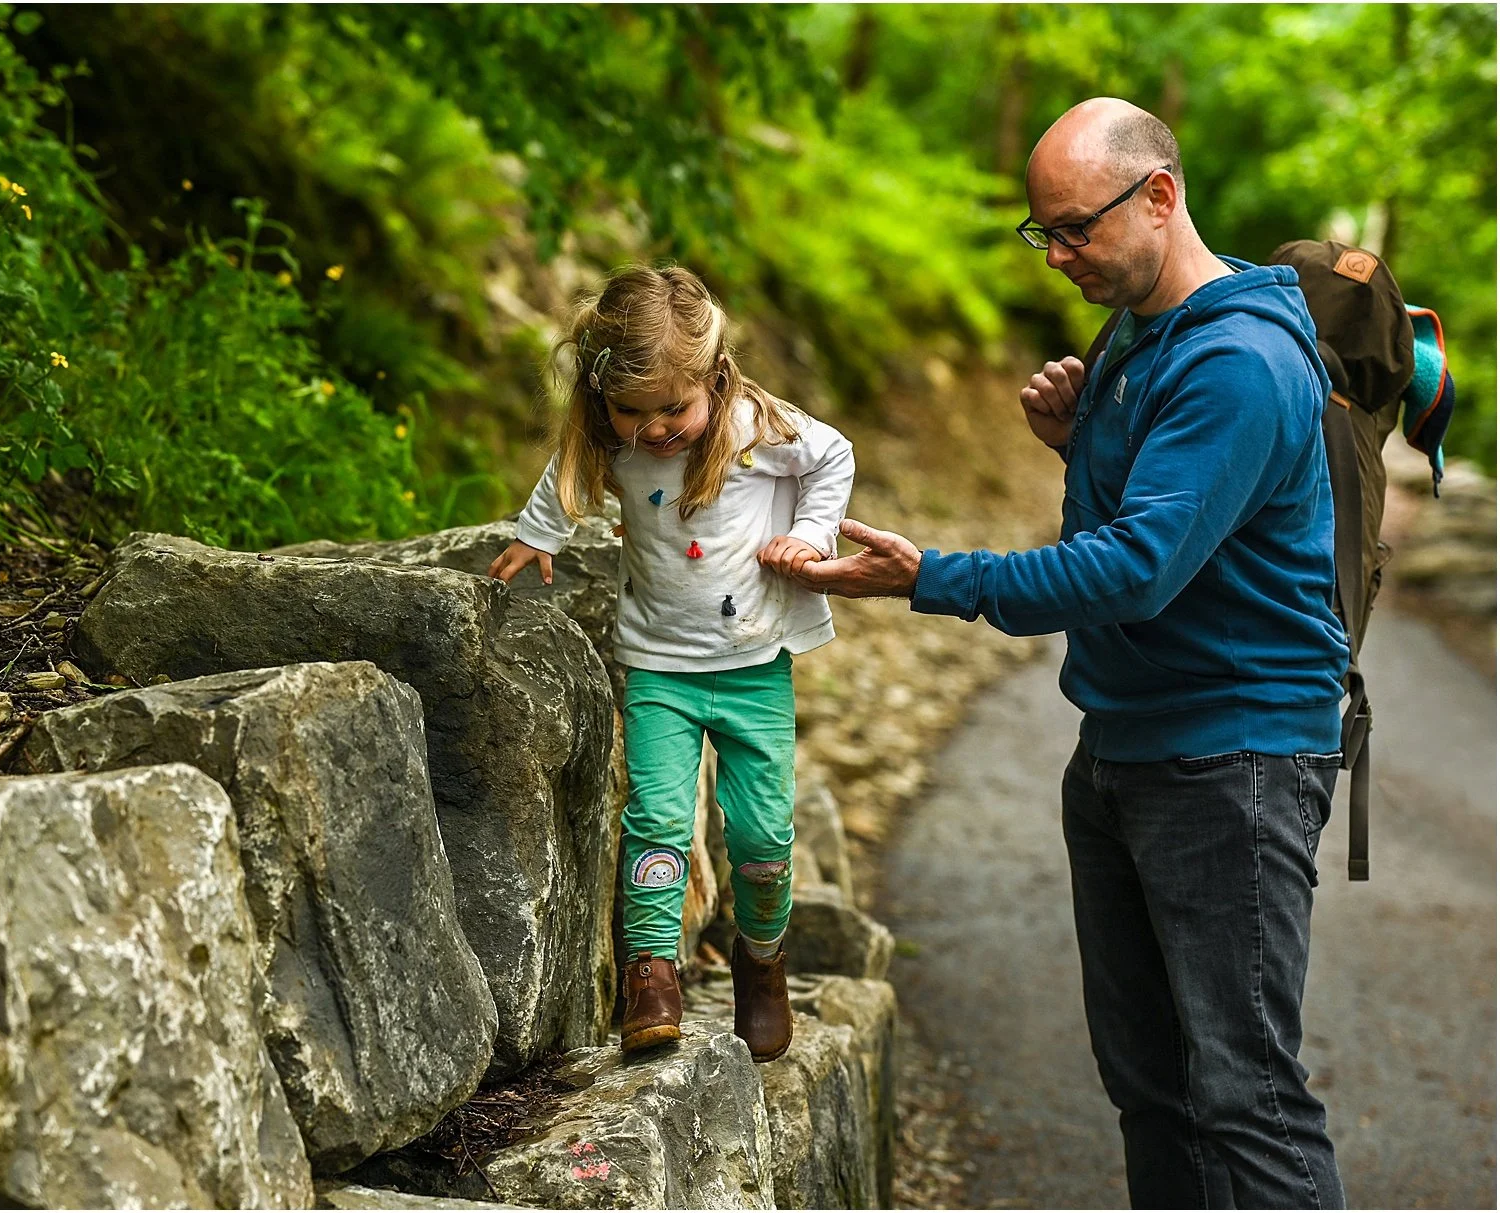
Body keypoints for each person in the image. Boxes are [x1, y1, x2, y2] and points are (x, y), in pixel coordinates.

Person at [792, 99, 1350, 1208]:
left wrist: (930, 577)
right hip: (1128, 750)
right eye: (1037, 233)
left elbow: (1135, 567)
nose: (1054, 258)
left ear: (1157, 196)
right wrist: (1079, 436)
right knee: (1150, 1085)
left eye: (1072, 229)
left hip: (1228, 765)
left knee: (1244, 1098)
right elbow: (1144, 526)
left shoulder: (1236, 360)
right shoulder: (1147, 336)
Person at [488, 264, 855, 1063]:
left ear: (716, 379)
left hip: (756, 666)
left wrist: (814, 535)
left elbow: (834, 458)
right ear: (601, 399)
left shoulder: (759, 426)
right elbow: (567, 475)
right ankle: (650, 974)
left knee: (762, 839)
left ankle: (763, 962)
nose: (654, 429)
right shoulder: (612, 442)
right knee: (655, 819)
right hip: (660, 670)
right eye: (631, 411)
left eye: (673, 409)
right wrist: (535, 535)